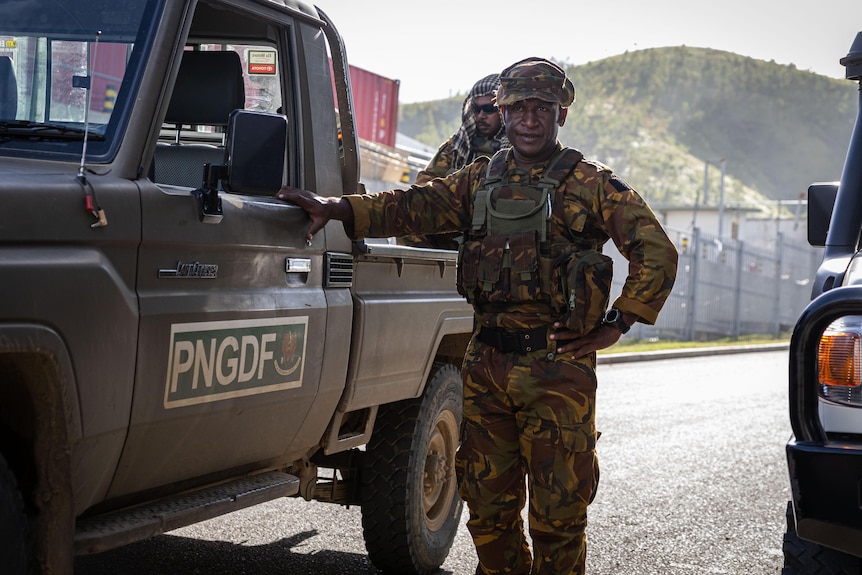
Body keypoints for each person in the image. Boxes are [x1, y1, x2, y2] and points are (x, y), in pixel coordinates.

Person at [278, 56, 678, 575]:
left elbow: (656, 252)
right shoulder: (476, 179)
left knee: (559, 518)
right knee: (488, 513)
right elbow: (413, 206)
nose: (529, 120)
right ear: (505, 113)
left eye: (542, 109)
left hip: (557, 369)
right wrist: (338, 208)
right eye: (519, 109)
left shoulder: (591, 183)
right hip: (485, 364)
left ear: (561, 115)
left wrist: (617, 324)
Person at [402, 72, 509, 249]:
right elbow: (424, 184)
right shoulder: (457, 146)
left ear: (503, 109)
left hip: (493, 231)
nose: (481, 115)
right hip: (453, 226)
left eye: (489, 109)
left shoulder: (517, 150)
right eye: (476, 109)